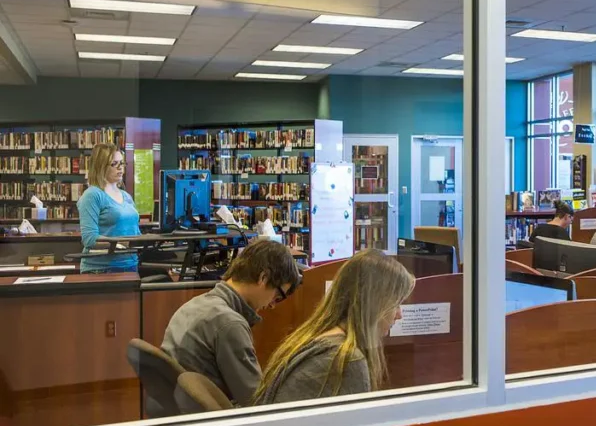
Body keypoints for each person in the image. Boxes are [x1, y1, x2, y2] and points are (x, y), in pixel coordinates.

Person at [252, 250, 414, 404]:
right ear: (376, 304)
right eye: (396, 304)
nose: (399, 314)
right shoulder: (346, 358)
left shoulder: (315, 337)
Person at [161, 239, 302, 405]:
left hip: (186, 411)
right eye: (278, 297)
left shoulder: (194, 305)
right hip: (213, 421)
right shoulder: (229, 324)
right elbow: (257, 402)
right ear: (263, 278)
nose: (272, 305)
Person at [76, 142, 141, 274]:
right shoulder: (92, 195)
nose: (120, 168)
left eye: (121, 163)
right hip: (101, 269)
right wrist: (123, 244)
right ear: (101, 166)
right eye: (114, 164)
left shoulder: (126, 196)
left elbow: (135, 232)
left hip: (130, 265)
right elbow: (89, 239)